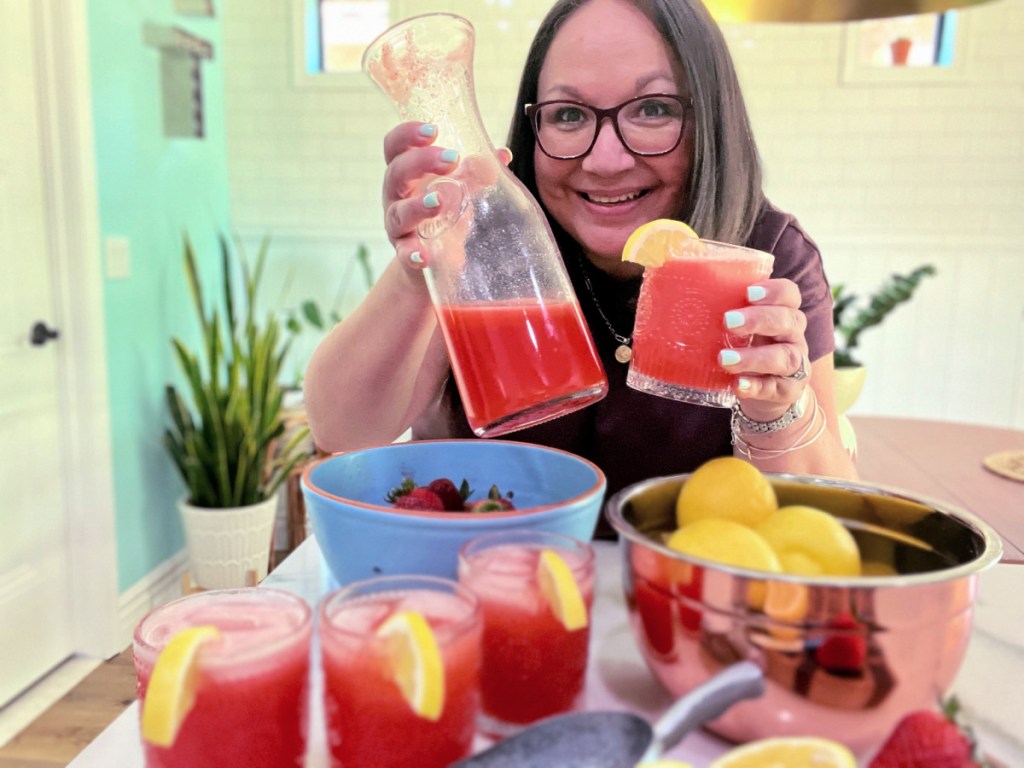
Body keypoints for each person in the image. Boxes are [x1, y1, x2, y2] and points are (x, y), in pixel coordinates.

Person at [304, 0, 858, 514]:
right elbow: (342, 429)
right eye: (569, 115)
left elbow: (825, 510)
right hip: (494, 581)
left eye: (653, 109)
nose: (605, 160)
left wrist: (777, 408)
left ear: (709, 120)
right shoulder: (482, 233)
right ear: (533, 125)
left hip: (678, 595)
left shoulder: (763, 257)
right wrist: (414, 272)